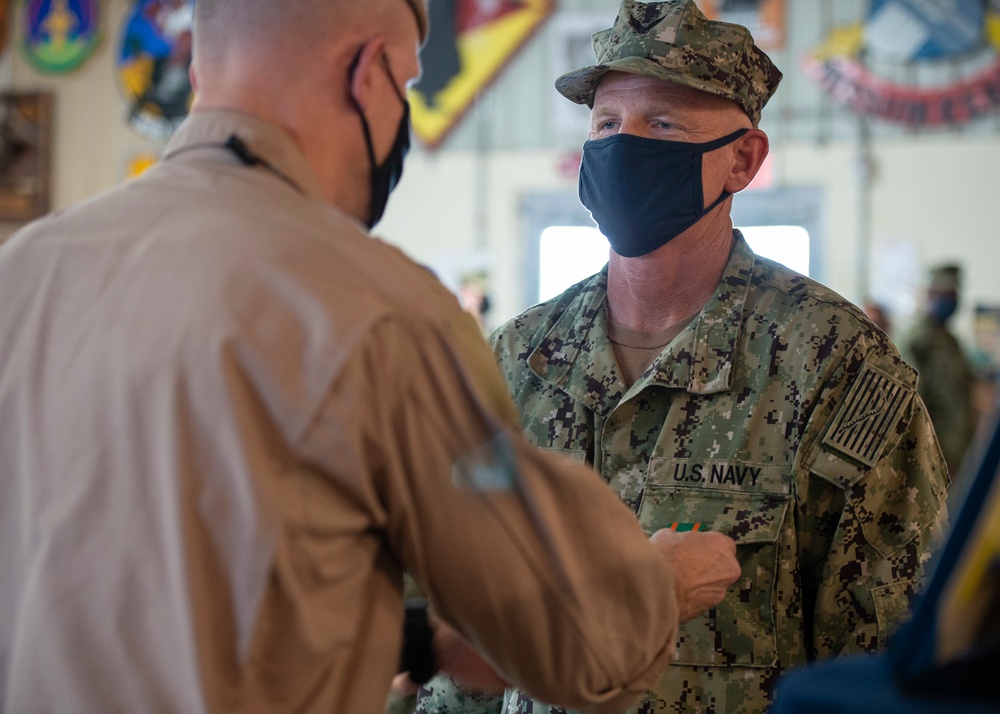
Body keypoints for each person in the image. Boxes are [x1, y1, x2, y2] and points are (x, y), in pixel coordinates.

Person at [0, 1, 744, 712]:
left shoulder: (26, 272)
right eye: (410, 86)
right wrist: (661, 583)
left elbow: (155, 571)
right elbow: (575, 639)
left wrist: (410, 637)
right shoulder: (377, 311)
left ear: (201, 75)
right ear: (369, 74)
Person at [417, 1, 950, 712]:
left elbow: (885, 663)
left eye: (661, 125)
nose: (622, 146)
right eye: (606, 124)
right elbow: (461, 637)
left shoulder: (836, 365)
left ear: (742, 160)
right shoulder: (519, 360)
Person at [900, 264, 979, 480]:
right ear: (930, 294)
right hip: (931, 456)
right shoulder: (918, 340)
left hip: (957, 451)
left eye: (954, 294)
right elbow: (913, 403)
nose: (952, 300)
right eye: (945, 294)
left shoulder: (951, 340)